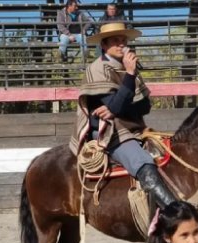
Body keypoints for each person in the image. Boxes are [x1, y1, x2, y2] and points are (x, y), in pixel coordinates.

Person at [68, 22, 177, 208]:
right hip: (110, 132)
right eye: (116, 41)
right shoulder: (96, 69)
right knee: (143, 162)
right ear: (104, 45)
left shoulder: (129, 70)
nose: (122, 44)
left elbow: (144, 106)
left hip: (133, 127)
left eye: (124, 40)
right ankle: (174, 211)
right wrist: (127, 79)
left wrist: (116, 108)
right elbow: (115, 105)